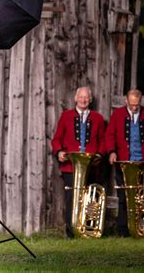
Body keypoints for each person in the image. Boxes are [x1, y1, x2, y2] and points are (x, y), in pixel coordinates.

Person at [51, 87, 106, 238]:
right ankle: (71, 232)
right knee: (71, 199)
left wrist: (99, 155)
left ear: (91, 99)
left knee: (90, 200)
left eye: (86, 97)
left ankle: (88, 231)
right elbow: (56, 139)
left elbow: (102, 140)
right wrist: (59, 152)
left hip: (91, 166)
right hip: (70, 167)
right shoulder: (66, 116)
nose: (83, 100)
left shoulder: (98, 118)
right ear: (75, 98)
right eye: (81, 97)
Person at [105, 89, 144, 237]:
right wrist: (112, 151)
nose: (135, 108)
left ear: (140, 101)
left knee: (143, 197)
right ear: (126, 101)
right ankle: (123, 230)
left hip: (143, 163)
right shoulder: (117, 114)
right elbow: (110, 135)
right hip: (123, 163)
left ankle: (142, 228)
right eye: (132, 104)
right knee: (123, 197)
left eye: (137, 104)